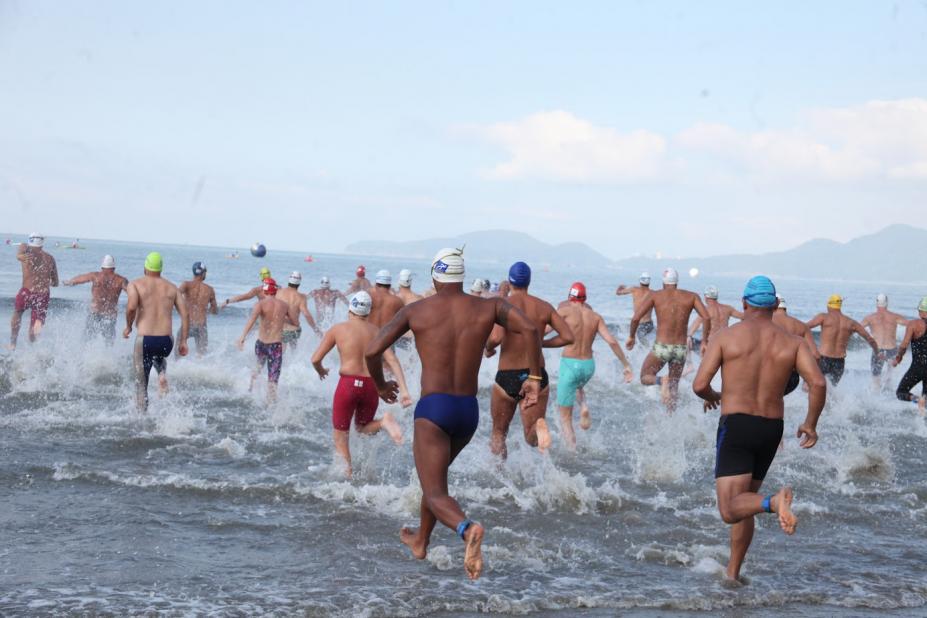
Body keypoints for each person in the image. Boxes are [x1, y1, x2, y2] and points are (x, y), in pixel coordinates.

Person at [364, 247, 542, 581]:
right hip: (467, 412)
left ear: (435, 274)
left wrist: (379, 385)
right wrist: (533, 378)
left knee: (435, 492)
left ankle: (466, 528)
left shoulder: (416, 310)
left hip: (434, 409)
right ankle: (421, 540)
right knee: (435, 481)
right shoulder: (490, 306)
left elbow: (372, 349)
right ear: (461, 275)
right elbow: (531, 330)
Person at [693, 276, 826, 583]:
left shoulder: (727, 337)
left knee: (729, 508)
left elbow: (699, 385)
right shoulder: (792, 342)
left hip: (738, 424)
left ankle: (775, 502)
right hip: (771, 429)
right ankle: (733, 574)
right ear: (774, 306)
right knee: (745, 503)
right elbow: (818, 382)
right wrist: (810, 424)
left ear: (744, 303)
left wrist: (714, 397)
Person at [484, 262, 574, 458]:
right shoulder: (544, 306)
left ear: (510, 281)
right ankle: (539, 427)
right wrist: (540, 343)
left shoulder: (505, 306)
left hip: (508, 375)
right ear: (529, 282)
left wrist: (488, 349)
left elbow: (496, 338)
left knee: (499, 432)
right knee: (531, 437)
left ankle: (499, 477)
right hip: (537, 375)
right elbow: (568, 337)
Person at [310, 291, 403, 476]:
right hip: (371, 386)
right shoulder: (377, 331)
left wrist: (321, 370)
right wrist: (402, 388)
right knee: (362, 428)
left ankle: (347, 475)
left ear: (350, 309)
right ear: (368, 312)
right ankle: (384, 421)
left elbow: (315, 359)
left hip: (348, 385)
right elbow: (391, 359)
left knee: (340, 435)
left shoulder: (338, 329)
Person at [556, 282, 633, 449]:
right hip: (588, 367)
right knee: (577, 386)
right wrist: (626, 365)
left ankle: (571, 452)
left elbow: (542, 330)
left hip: (570, 364)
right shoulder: (595, 316)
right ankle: (583, 405)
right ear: (585, 298)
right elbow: (612, 341)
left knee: (565, 418)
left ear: (570, 297)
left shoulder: (564, 312)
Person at [627, 268, 710, 411]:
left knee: (645, 377)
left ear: (663, 282)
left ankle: (661, 380)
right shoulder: (692, 296)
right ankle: (670, 416)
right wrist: (704, 342)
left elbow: (635, 318)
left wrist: (631, 337)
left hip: (662, 347)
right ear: (676, 282)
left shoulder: (656, 295)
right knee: (674, 386)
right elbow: (707, 317)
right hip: (680, 349)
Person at [123, 252, 189, 411]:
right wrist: (183, 341)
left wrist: (128, 326)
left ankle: (141, 418)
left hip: (145, 339)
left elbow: (131, 307)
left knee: (141, 384)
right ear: (161, 269)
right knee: (159, 356)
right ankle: (161, 374)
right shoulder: (172, 287)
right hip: (166, 340)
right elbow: (185, 314)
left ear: (145, 267)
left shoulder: (135, 284)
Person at [235, 278, 296, 405]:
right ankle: (271, 403)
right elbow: (295, 323)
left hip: (261, 344)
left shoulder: (260, 304)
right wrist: (282, 319)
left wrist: (242, 337)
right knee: (273, 378)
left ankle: (250, 392)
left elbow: (251, 321)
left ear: (265, 291)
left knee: (257, 369)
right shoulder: (284, 305)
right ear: (275, 290)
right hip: (276, 347)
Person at [806, 295, 879, 386]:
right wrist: (877, 352)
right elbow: (870, 339)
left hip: (823, 359)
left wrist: (811, 347)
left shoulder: (823, 317)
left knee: (809, 386)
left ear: (829, 305)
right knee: (831, 390)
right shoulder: (851, 322)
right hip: (839, 363)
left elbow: (804, 328)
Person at [368, 270, 413, 407]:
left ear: (376, 283)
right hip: (386, 340)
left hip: (369, 339)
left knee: (369, 370)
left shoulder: (368, 296)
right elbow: (402, 323)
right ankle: (396, 398)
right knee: (389, 369)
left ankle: (371, 395)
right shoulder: (397, 301)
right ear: (389, 285)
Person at [64, 254, 128, 344]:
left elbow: (80, 279)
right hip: (109, 316)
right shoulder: (121, 280)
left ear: (102, 267)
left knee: (86, 340)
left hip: (94, 313)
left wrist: (69, 282)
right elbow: (131, 293)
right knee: (109, 342)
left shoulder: (95, 276)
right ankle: (108, 357)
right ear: (114, 268)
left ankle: (82, 357)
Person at [10, 233, 58, 349]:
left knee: (18, 312)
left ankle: (13, 343)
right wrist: (46, 280)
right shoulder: (50, 258)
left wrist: (21, 257)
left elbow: (19, 255)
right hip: (42, 294)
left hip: (27, 291)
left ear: (30, 241)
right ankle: (34, 348)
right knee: (37, 322)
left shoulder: (26, 249)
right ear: (42, 243)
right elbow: (55, 282)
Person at [772, 294, 820, 395]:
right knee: (777, 400)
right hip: (793, 378)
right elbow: (815, 355)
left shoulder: (767, 322)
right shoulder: (802, 326)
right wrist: (807, 380)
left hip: (773, 372)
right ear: (785, 308)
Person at [861, 294, 909, 390]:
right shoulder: (895, 317)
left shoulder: (870, 318)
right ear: (887, 303)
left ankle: (877, 400)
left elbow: (858, 328)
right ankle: (889, 397)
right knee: (889, 377)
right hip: (892, 350)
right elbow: (911, 325)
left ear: (876, 303)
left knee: (876, 378)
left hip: (878, 351)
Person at [893, 297, 927, 412]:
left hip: (918, 367)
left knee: (901, 392)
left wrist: (898, 358)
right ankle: (923, 427)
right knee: (926, 401)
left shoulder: (914, 324)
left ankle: (916, 399)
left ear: (922, 311)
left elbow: (904, 345)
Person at [176, 261, 217, 355]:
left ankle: (177, 369)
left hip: (187, 325)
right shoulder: (210, 289)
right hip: (201, 326)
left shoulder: (186, 285)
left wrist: (182, 307)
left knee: (178, 353)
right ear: (202, 273)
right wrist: (205, 310)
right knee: (202, 356)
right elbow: (214, 310)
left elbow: (175, 296)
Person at [688, 285, 743, 350]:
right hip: (725, 342)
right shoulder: (727, 308)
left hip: (711, 343)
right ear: (716, 297)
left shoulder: (706, 310)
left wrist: (689, 336)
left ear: (705, 297)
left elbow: (696, 324)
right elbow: (743, 316)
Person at [276, 271, 322, 349]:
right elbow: (306, 314)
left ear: (289, 281)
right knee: (293, 352)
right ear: (299, 283)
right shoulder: (301, 297)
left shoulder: (278, 292)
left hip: (278, 327)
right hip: (293, 329)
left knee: (280, 353)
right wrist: (315, 329)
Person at [616, 272, 655, 345]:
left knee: (638, 340)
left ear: (640, 281)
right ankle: (646, 352)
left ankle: (646, 353)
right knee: (639, 341)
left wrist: (620, 287)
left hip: (639, 324)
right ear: (649, 282)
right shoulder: (653, 293)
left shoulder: (634, 289)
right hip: (649, 324)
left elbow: (618, 293)